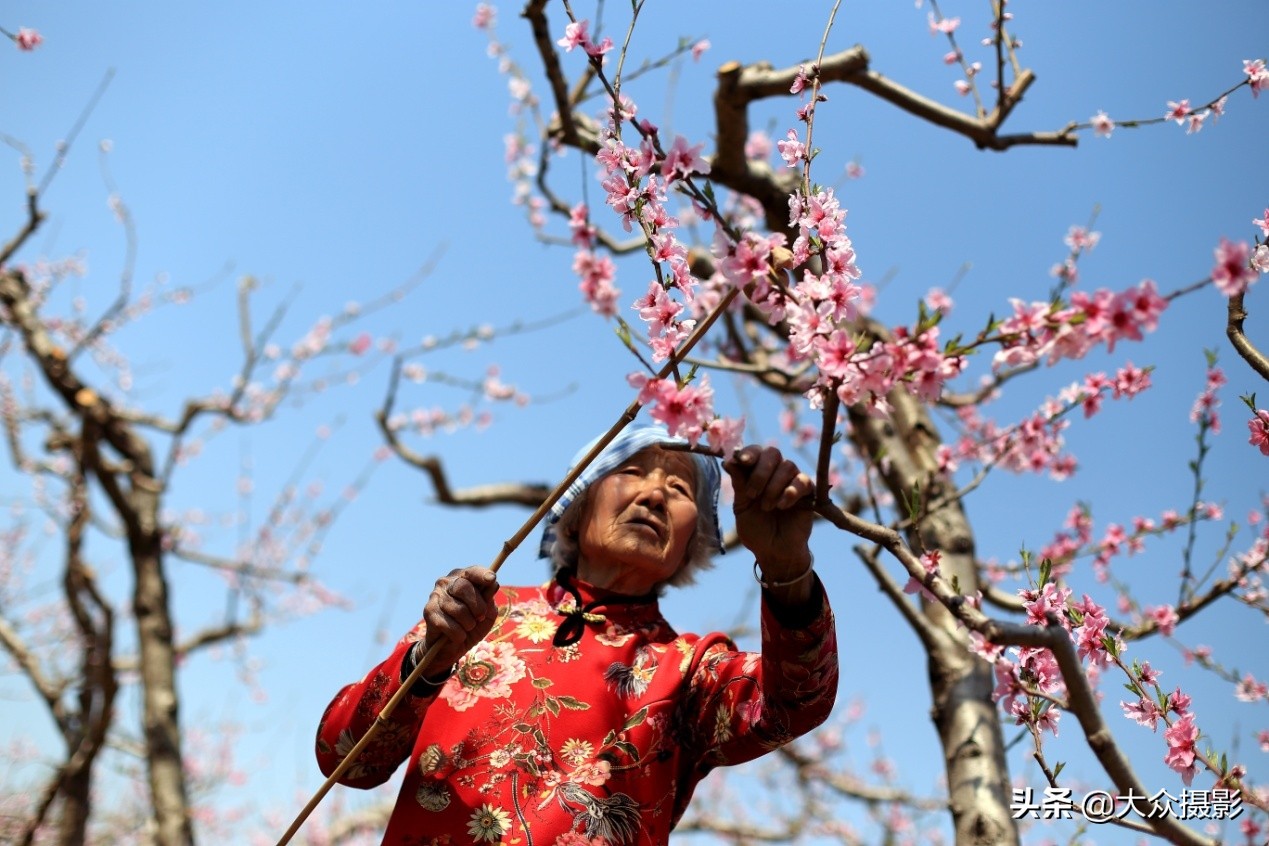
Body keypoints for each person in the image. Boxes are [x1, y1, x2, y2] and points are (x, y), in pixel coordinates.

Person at [315, 424, 838, 845]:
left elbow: (793, 703)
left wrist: (787, 567)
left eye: (680, 489)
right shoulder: (476, 615)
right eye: (632, 471)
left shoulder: (692, 668)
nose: (655, 494)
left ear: (691, 541)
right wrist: (425, 665)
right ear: (577, 505)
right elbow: (345, 758)